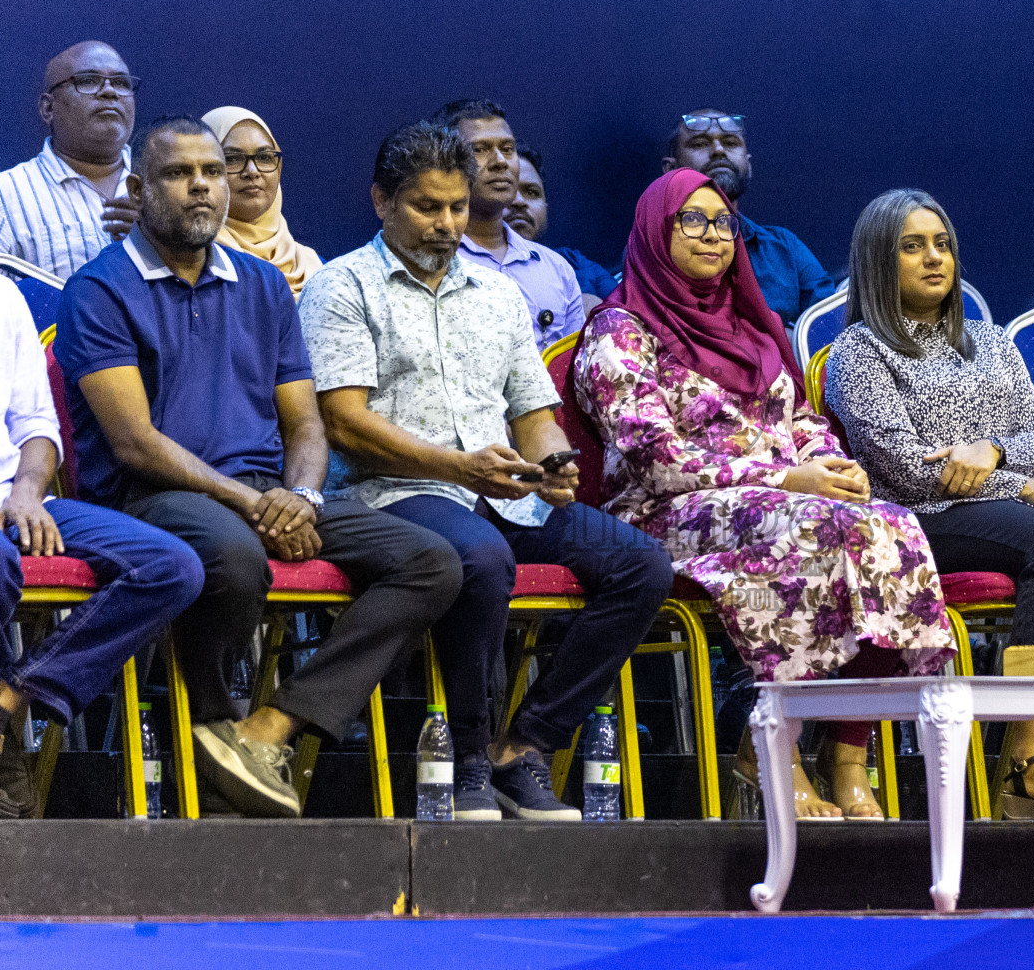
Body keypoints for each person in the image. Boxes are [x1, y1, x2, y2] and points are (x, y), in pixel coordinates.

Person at [55, 117, 463, 819]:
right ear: (138, 187)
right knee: (235, 555)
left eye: (211, 173)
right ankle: (212, 722)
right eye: (180, 174)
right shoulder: (99, 289)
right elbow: (135, 443)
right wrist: (254, 504)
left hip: (268, 496)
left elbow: (305, 423)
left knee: (432, 562)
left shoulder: (264, 285)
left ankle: (264, 729)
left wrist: (301, 495)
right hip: (152, 497)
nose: (202, 188)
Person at [299, 121, 673, 821]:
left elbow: (533, 413)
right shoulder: (340, 286)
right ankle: (465, 762)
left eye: (457, 207)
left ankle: (524, 747)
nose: (446, 224)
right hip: (391, 494)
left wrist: (551, 464)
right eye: (427, 207)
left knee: (642, 565)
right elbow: (345, 423)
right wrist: (462, 469)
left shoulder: (495, 294)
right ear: (381, 200)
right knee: (480, 554)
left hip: (498, 487)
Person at [575, 169, 954, 822]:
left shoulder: (755, 331)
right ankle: (771, 745)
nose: (714, 235)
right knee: (805, 527)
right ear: (653, 232)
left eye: (723, 222)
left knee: (890, 526)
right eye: (691, 220)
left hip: (778, 501)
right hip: (664, 513)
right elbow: (653, 455)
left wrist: (838, 471)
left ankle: (847, 755)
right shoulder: (620, 331)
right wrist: (784, 480)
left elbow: (803, 427)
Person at [826, 189, 1034, 820]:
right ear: (878, 261)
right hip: (915, 523)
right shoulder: (859, 352)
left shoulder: (989, 341)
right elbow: (909, 470)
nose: (935, 259)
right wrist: (1023, 485)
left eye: (943, 244)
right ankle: (1028, 758)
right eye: (912, 247)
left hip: (1001, 505)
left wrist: (991, 452)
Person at [0, 254, 202, 819]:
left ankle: (2, 702)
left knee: (171, 566)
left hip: (6, 491)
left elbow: (35, 424)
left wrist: (27, 491)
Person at [0, 42, 140, 280]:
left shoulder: (169, 186)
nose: (109, 91)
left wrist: (164, 240)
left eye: (122, 83)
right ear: (48, 108)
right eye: (88, 81)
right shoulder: (1, 197)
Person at [431, 100, 584, 350]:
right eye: (479, 149)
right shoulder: (428, 263)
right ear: (444, 162)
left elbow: (575, 371)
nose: (500, 161)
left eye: (507, 148)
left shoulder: (555, 269)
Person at [661, 108, 836, 327]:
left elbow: (829, 329)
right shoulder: (654, 248)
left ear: (749, 165)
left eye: (731, 142)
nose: (718, 150)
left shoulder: (785, 247)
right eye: (700, 144)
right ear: (670, 169)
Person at [200, 107, 322, 296]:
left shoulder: (313, 265)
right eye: (232, 159)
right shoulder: (195, 264)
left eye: (264, 157)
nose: (252, 171)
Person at [507, 144, 616, 312]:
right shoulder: (468, 271)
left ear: (545, 204)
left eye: (531, 192)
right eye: (506, 190)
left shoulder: (576, 264)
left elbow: (627, 315)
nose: (520, 202)